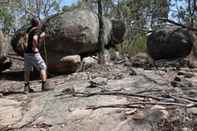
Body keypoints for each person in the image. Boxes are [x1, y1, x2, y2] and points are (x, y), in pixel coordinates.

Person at [24, 18, 51, 93]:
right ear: (38, 23)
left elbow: (25, 38)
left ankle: (26, 88)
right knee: (43, 67)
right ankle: (44, 85)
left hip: (26, 52)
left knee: (27, 70)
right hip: (33, 52)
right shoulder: (37, 30)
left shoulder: (29, 29)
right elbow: (35, 39)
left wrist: (27, 46)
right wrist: (35, 47)